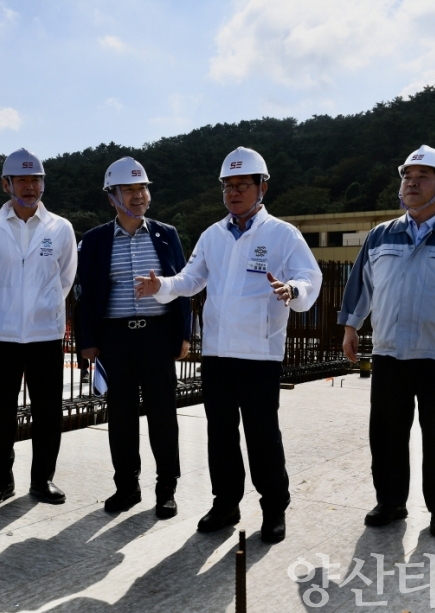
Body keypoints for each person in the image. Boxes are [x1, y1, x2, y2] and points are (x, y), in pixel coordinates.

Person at [135, 147, 321, 543]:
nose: (234, 192)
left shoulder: (282, 234)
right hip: (218, 352)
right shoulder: (213, 235)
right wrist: (161, 287)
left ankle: (273, 508)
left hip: (259, 353)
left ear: (262, 187)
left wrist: (292, 289)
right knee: (220, 433)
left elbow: (310, 277)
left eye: (242, 185)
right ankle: (225, 504)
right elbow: (190, 279)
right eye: (228, 186)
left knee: (262, 434)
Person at [338, 144, 435, 538]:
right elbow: (362, 285)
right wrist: (351, 326)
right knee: (387, 433)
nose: (411, 183)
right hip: (390, 351)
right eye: (407, 177)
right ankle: (390, 502)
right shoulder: (381, 236)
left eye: (422, 177)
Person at [77, 157, 191, 518]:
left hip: (157, 336)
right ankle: (127, 487)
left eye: (142, 188)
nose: (139, 195)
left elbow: (183, 284)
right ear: (112, 196)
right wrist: (88, 340)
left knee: (163, 416)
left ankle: (166, 488)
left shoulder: (166, 234)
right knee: (121, 416)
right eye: (129, 189)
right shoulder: (95, 241)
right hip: (116, 339)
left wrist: (184, 334)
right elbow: (85, 293)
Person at [0, 149, 76, 507]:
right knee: (1, 412)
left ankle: (43, 480)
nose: (30, 187)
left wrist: (44, 308)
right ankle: (1, 482)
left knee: (48, 411)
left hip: (45, 336)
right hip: (3, 338)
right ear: (6, 184)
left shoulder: (60, 228)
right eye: (22, 180)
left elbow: (65, 279)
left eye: (36, 180)